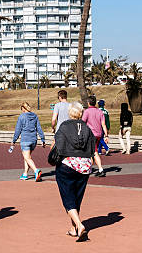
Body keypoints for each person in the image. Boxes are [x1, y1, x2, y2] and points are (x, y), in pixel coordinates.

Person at [53, 101, 95, 242]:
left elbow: (59, 145)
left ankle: (79, 225)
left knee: (67, 196)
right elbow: (92, 148)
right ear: (81, 113)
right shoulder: (87, 128)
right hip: (84, 166)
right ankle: (73, 228)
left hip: (68, 164)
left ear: (70, 113)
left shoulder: (64, 127)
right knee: (77, 196)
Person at [11, 101, 46, 181]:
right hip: (34, 139)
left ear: (23, 108)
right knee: (27, 157)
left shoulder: (22, 116)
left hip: (25, 139)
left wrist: (14, 140)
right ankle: (25, 174)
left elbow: (18, 129)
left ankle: (36, 171)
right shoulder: (35, 116)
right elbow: (39, 128)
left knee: (27, 157)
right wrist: (43, 139)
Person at [82, 96, 107, 177]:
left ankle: (100, 169)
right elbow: (103, 124)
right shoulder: (100, 112)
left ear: (88, 103)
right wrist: (106, 135)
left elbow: (83, 122)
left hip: (91, 134)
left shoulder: (87, 111)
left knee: (94, 151)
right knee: (92, 151)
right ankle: (90, 168)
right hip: (99, 134)